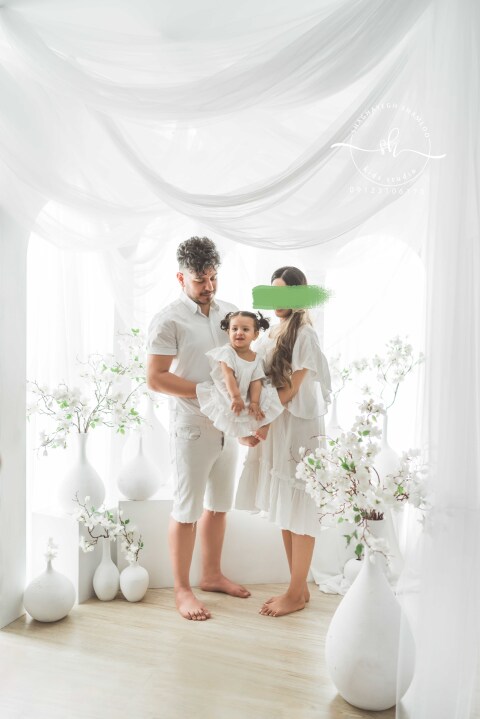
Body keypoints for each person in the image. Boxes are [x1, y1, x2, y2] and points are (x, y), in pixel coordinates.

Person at [147, 237, 251, 621]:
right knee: (186, 510)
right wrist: (205, 392)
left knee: (219, 506)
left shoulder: (228, 312)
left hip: (229, 425)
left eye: (213, 277)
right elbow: (155, 378)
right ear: (181, 278)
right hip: (191, 426)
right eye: (199, 280)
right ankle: (182, 590)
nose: (208, 287)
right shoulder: (168, 320)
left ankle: (211, 575)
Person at [235, 266, 331, 617]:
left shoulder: (305, 334)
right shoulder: (276, 330)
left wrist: (265, 422)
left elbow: (291, 390)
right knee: (287, 507)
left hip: (299, 427)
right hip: (281, 423)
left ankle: (294, 592)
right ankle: (298, 587)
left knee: (300, 505)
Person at [196, 310, 284, 438]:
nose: (239, 333)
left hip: (247, 390)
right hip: (230, 390)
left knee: (266, 393)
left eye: (245, 329)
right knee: (232, 410)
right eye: (234, 329)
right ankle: (242, 437)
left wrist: (254, 402)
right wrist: (236, 397)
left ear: (255, 335)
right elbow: (228, 375)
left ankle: (261, 426)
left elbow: (255, 381)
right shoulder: (227, 352)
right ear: (228, 332)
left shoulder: (257, 358)